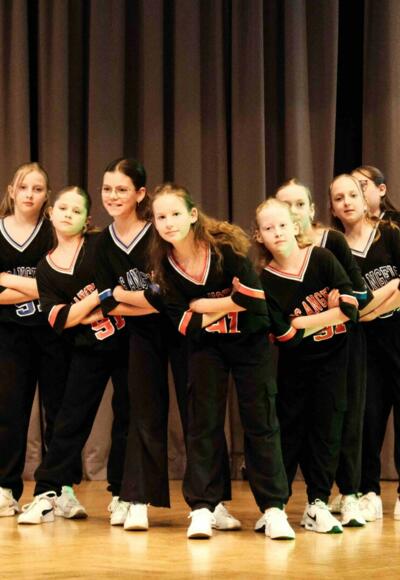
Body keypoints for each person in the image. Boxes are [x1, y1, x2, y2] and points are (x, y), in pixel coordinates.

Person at [95, 160, 238, 532]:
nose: (113, 196)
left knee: (201, 414)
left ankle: (212, 501)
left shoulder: (161, 232)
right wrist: (138, 299)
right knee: (143, 411)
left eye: (121, 189)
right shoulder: (102, 244)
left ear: (140, 194)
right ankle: (137, 500)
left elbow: (169, 297)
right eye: (107, 188)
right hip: (142, 335)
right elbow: (108, 302)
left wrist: (134, 297)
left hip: (184, 329)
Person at [147, 182, 294, 540]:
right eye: (161, 217)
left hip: (250, 340)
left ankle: (274, 509)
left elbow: (254, 299)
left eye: (176, 213)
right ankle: (203, 508)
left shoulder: (225, 249)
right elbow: (184, 323)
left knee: (260, 420)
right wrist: (227, 302)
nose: (169, 222)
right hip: (206, 346)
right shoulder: (162, 266)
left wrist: (204, 304)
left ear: (193, 215)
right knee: (203, 422)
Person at [17, 186, 129, 524]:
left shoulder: (99, 246)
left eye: (76, 210)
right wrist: (95, 301)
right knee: (70, 418)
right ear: (51, 213)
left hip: (127, 342)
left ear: (87, 220)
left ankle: (123, 494)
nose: (68, 214)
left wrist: (84, 308)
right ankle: (47, 491)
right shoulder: (45, 268)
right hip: (88, 347)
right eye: (63, 208)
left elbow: (122, 289)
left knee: (128, 414)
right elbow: (60, 319)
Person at [254, 197, 359, 534]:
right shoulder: (265, 280)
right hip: (295, 368)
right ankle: (277, 507)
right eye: (269, 228)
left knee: (327, 430)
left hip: (334, 362)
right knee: (289, 433)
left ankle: (317, 503)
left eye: (282, 225)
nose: (277, 232)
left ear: (295, 225)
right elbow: (286, 336)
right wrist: (324, 316)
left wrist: (302, 322)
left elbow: (351, 308)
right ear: (259, 236)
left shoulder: (322, 258)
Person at [274, 178, 371, 527]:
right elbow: (279, 321)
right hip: (300, 355)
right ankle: (300, 502)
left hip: (342, 347)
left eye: (300, 204)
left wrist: (339, 304)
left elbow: (359, 296)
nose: (293, 211)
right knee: (296, 425)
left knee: (345, 419)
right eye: (286, 205)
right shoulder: (274, 254)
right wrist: (309, 320)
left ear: (313, 209)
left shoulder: (331, 243)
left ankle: (350, 494)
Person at [0, 163, 70, 518]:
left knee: (58, 411)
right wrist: (41, 287)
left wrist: (7, 280)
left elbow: (61, 286)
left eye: (38, 188)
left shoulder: (55, 233)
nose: (29, 194)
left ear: (47, 196)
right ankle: (5, 488)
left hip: (53, 333)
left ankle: (57, 489)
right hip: (9, 335)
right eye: (24, 187)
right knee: (9, 411)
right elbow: (48, 285)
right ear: (12, 191)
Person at [329, 174, 400, 521]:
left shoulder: (390, 234)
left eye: (352, 195)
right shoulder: (335, 249)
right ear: (332, 208)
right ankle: (369, 491)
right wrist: (385, 295)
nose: (347, 202)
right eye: (339, 198)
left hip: (397, 339)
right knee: (368, 419)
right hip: (364, 347)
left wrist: (369, 307)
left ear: (365, 197)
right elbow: (347, 306)